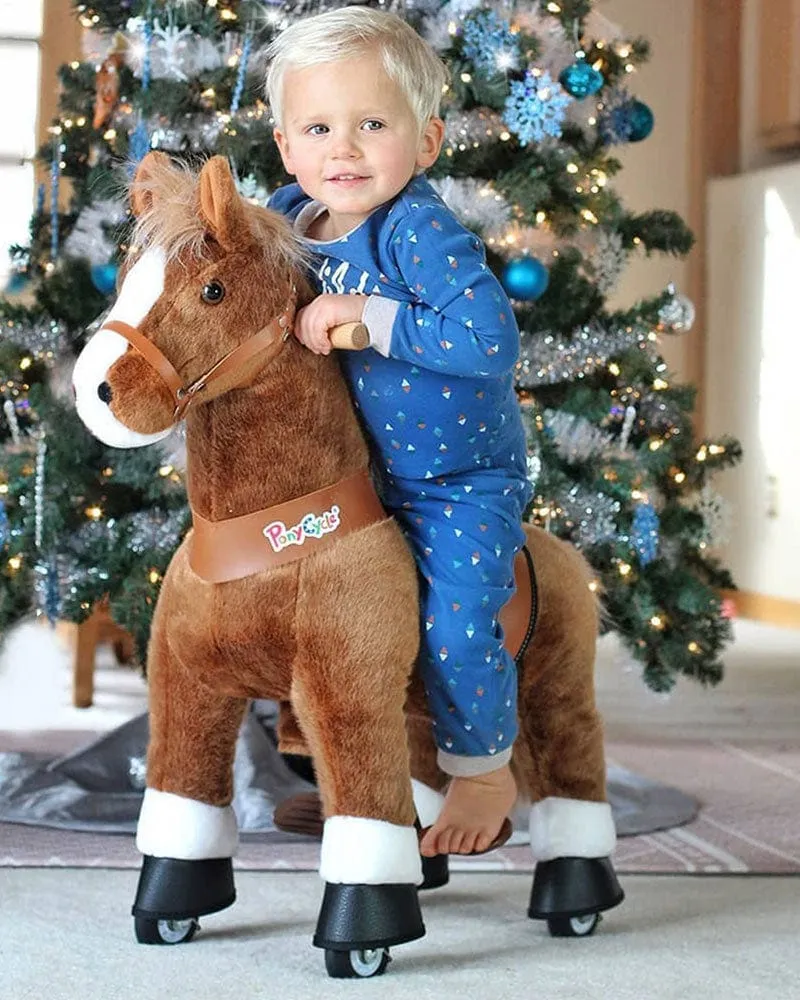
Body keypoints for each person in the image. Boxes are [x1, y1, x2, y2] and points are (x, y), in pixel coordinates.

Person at [265, 6, 532, 858]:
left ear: (425, 142)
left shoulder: (415, 231)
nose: (342, 149)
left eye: (372, 124)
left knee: (454, 623)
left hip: (456, 480)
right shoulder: (284, 223)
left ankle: (484, 769)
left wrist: (371, 316)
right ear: (286, 147)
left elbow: (490, 341)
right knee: (290, 592)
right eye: (319, 127)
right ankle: (340, 765)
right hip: (353, 480)